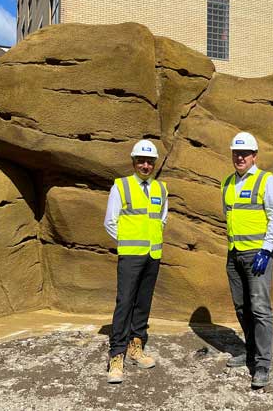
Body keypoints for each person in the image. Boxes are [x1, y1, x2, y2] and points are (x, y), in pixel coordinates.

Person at [221, 131, 273, 389]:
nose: (240, 157)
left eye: (245, 153)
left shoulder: (266, 181)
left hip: (258, 255)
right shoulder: (227, 183)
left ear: (254, 156)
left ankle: (262, 364)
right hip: (234, 252)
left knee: (260, 309)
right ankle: (248, 352)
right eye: (236, 153)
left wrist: (267, 249)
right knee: (241, 307)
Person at [103, 139, 168, 384]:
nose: (145, 165)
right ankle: (116, 354)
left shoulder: (161, 189)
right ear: (133, 162)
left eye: (149, 161)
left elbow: (162, 219)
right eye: (141, 160)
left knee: (143, 303)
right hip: (131, 255)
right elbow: (110, 221)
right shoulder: (121, 187)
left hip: (153, 255)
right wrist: (128, 241)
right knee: (125, 303)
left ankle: (135, 345)